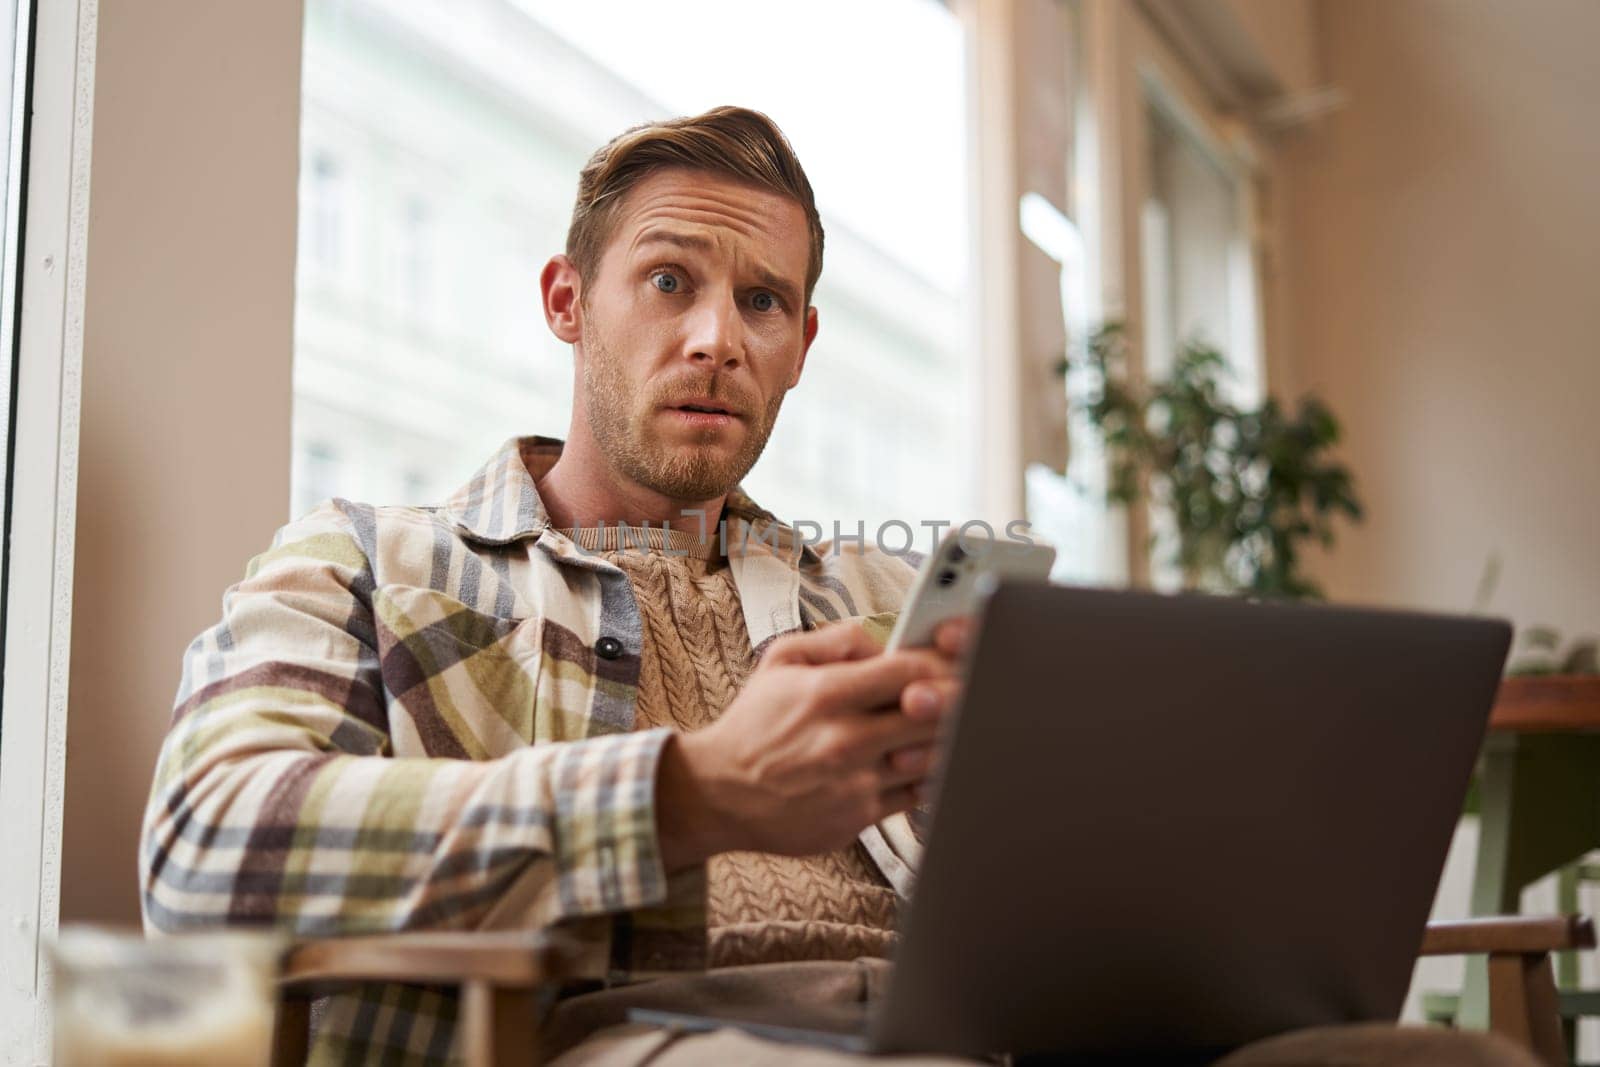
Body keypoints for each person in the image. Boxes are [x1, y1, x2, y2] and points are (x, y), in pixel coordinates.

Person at [140, 107, 1535, 1067]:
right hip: (635, 1030)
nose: (715, 340)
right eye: (669, 281)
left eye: (761, 304)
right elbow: (202, 853)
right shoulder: (369, 562)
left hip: (977, 1025)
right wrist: (688, 793)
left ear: (804, 341)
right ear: (568, 300)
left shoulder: (880, 590)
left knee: (1429, 1057)